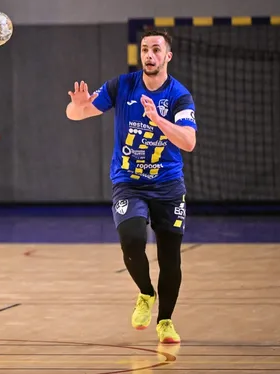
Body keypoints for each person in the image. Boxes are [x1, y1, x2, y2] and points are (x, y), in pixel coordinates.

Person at [65, 29, 197, 344]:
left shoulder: (179, 95)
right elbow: (75, 114)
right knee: (132, 239)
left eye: (156, 50)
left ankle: (165, 321)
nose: (149, 55)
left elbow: (189, 142)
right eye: (145, 50)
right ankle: (145, 292)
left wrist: (158, 119)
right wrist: (78, 106)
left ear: (168, 56)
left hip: (167, 185)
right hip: (129, 183)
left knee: (170, 256)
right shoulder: (122, 85)